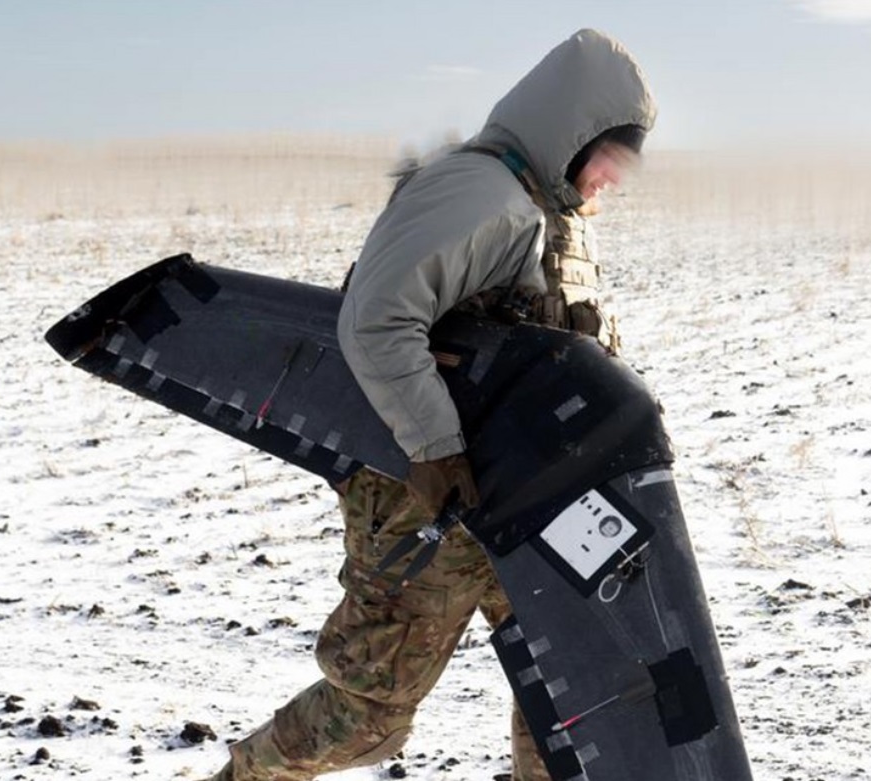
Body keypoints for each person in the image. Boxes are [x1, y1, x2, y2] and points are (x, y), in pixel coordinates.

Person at [199, 28, 655, 781]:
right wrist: (435, 449)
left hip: (527, 501)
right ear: (571, 133)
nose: (615, 174)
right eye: (610, 152)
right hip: (427, 499)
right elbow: (377, 319)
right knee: (367, 713)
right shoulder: (477, 193)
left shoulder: (555, 217)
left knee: (569, 698)